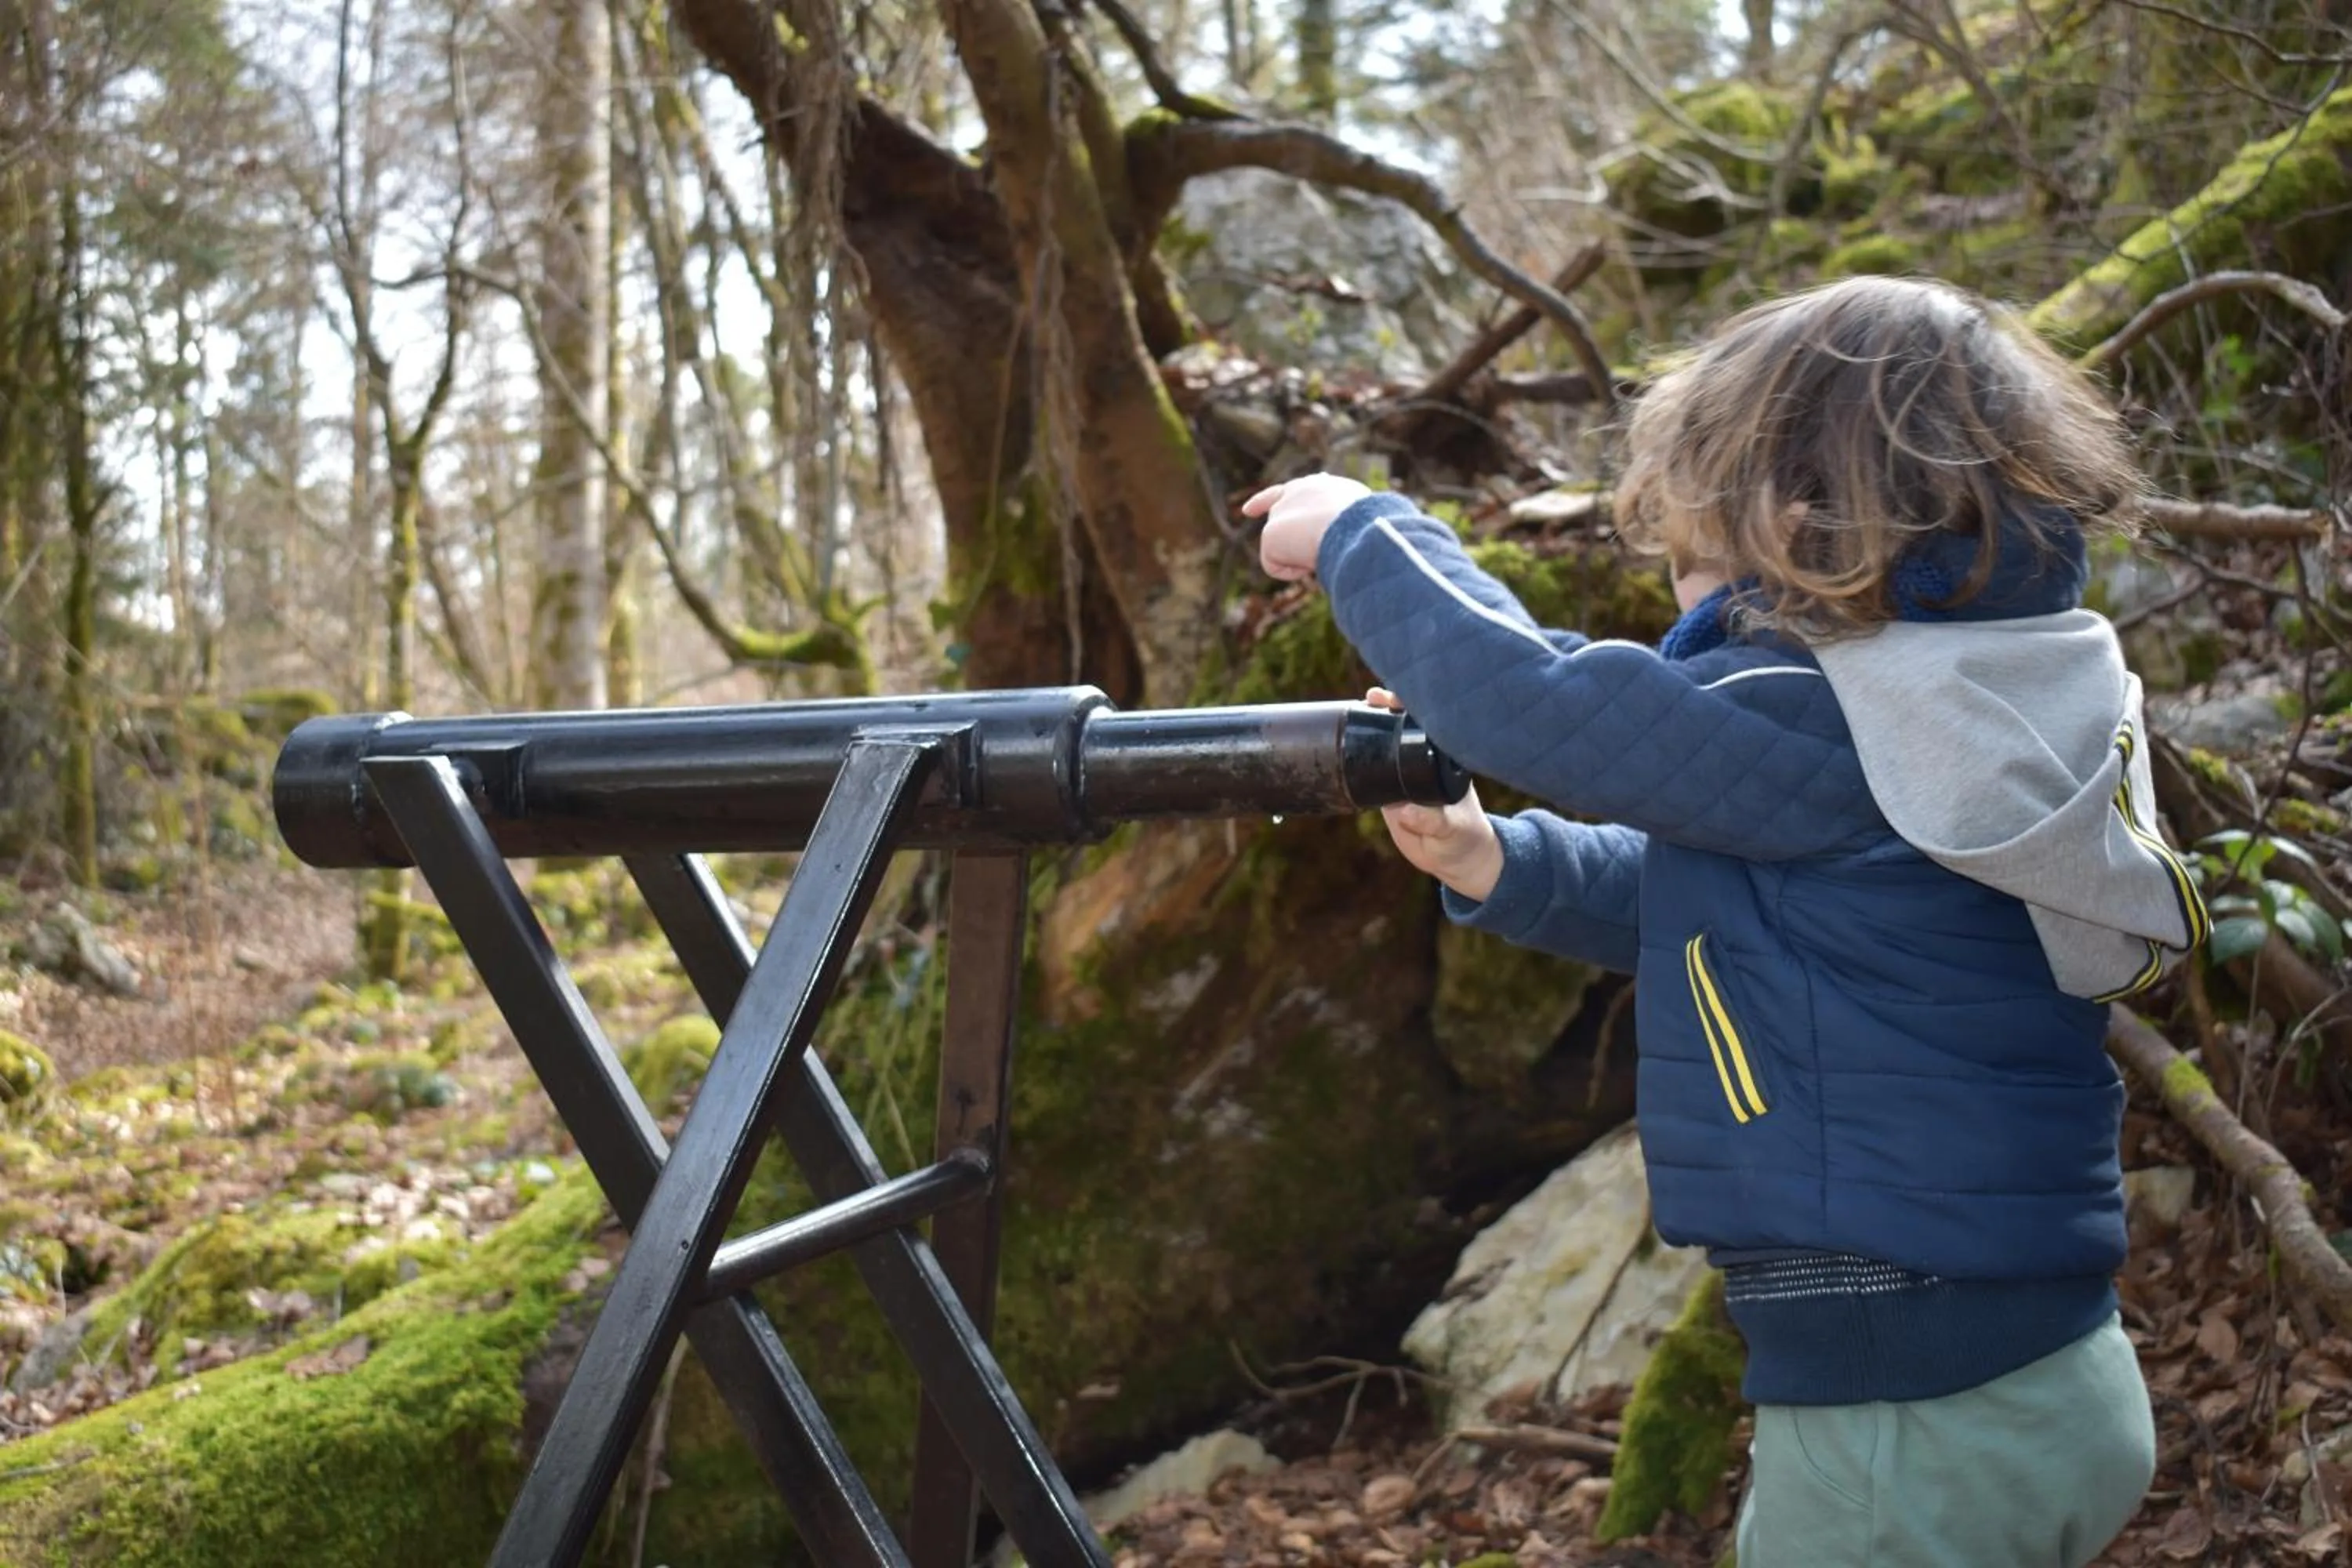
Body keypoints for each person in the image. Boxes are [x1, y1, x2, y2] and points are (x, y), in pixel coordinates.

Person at [1245, 276, 2203, 1568]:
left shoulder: (1823, 708)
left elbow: (1539, 703)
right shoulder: (1964, 707)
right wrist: (1500, 859)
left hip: (1902, 1409)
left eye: (1694, 554)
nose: (1680, 600)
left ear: (1800, 525)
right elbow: (1735, 902)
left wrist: (1368, 534)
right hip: (2051, 1378)